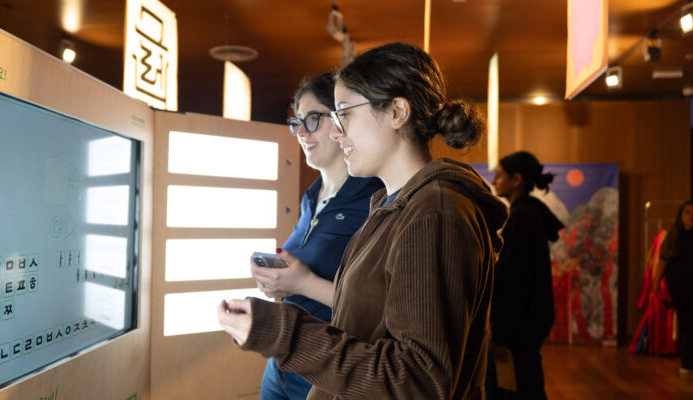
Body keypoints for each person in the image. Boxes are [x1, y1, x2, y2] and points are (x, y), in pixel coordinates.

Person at [218, 42, 508, 399]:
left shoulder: (434, 211)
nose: (335, 132)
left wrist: (284, 333)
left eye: (344, 114)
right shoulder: (392, 205)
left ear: (397, 112)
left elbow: (418, 382)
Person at [252, 73, 383, 399]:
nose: (301, 132)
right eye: (297, 121)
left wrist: (302, 283)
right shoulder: (311, 196)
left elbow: (378, 306)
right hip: (282, 357)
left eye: (313, 119)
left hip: (328, 365)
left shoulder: (374, 197)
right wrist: (279, 281)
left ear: (341, 120)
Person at [487, 151, 563, 400]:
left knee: (516, 386)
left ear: (517, 179)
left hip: (519, 323)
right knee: (525, 381)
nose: (494, 180)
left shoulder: (522, 215)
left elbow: (515, 278)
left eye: (499, 175)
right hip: (529, 319)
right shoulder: (528, 212)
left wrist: (501, 328)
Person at [653, 200, 693, 374]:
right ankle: (687, 362)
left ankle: (688, 361)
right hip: (679, 286)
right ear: (681, 215)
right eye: (687, 212)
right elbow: (663, 259)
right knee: (687, 322)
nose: (691, 216)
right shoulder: (674, 236)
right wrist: (656, 282)